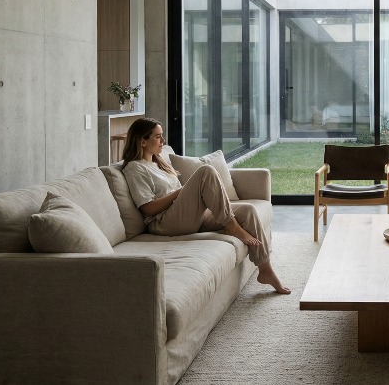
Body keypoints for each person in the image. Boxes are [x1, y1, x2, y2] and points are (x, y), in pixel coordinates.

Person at [120, 117, 290, 294]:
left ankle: (265, 269)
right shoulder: (135, 168)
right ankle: (232, 226)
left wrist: (184, 194)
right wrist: (181, 192)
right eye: (157, 137)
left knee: (248, 210)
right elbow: (147, 208)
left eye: (162, 135)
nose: (163, 140)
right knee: (205, 171)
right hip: (164, 222)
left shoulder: (158, 163)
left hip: (186, 216)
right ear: (142, 141)